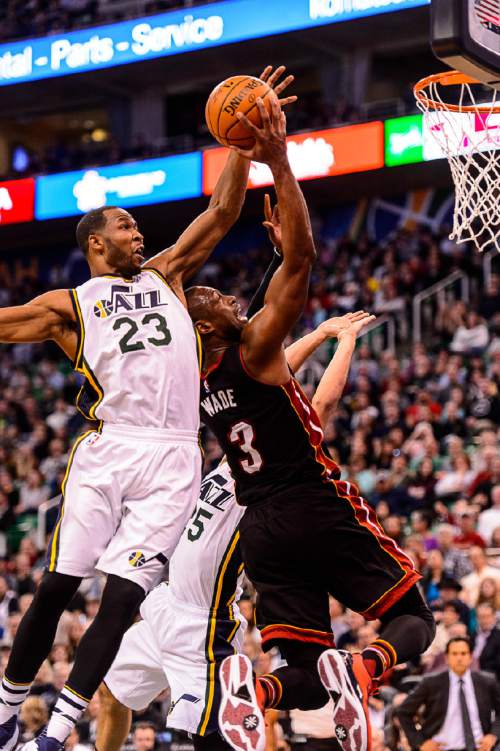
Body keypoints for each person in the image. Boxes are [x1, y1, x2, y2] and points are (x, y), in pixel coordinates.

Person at [0, 65, 295, 751]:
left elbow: (221, 214)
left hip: (173, 453)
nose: (140, 234)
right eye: (126, 227)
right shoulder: (64, 306)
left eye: (139, 227)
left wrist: (245, 141)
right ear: (95, 243)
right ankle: (8, 710)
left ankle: (60, 727)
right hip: (110, 448)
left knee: (125, 595)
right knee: (56, 585)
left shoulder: (167, 272)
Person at [185, 98, 435, 751]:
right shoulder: (256, 352)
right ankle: (364, 670)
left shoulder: (207, 375)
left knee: (303, 671)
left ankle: (256, 689)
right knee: (413, 617)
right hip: (312, 502)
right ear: (210, 327)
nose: (231, 296)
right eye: (218, 298)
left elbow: (279, 298)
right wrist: (277, 160)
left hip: (261, 528)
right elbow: (302, 263)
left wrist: (308, 310)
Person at [95, 197, 372, 751]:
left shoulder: (269, 485)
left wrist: (334, 340)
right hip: (166, 603)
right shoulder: (230, 437)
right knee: (111, 693)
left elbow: (315, 400)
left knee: (214, 736)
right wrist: (322, 338)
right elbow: (268, 375)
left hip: (205, 619)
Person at [396, 637, 500, 751]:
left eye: (463, 653)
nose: (459, 658)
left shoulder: (487, 681)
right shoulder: (431, 683)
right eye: (454, 654)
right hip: (443, 747)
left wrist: (493, 736)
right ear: (446, 658)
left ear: (470, 657)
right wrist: (421, 742)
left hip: (479, 747)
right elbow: (403, 712)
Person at [472, 603, 500, 682]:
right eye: (481, 617)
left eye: (487, 616)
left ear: (494, 617)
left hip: (492, 679)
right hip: (472, 677)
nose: (484, 620)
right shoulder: (473, 635)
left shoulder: (498, 636)